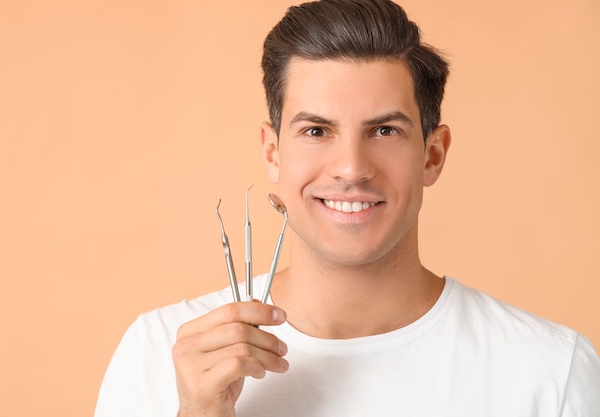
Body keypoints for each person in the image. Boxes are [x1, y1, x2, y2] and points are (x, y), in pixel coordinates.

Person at [94, 0, 600, 416]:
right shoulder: (160, 355)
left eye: (385, 131)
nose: (351, 168)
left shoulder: (549, 370)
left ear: (433, 154)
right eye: (317, 131)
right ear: (273, 153)